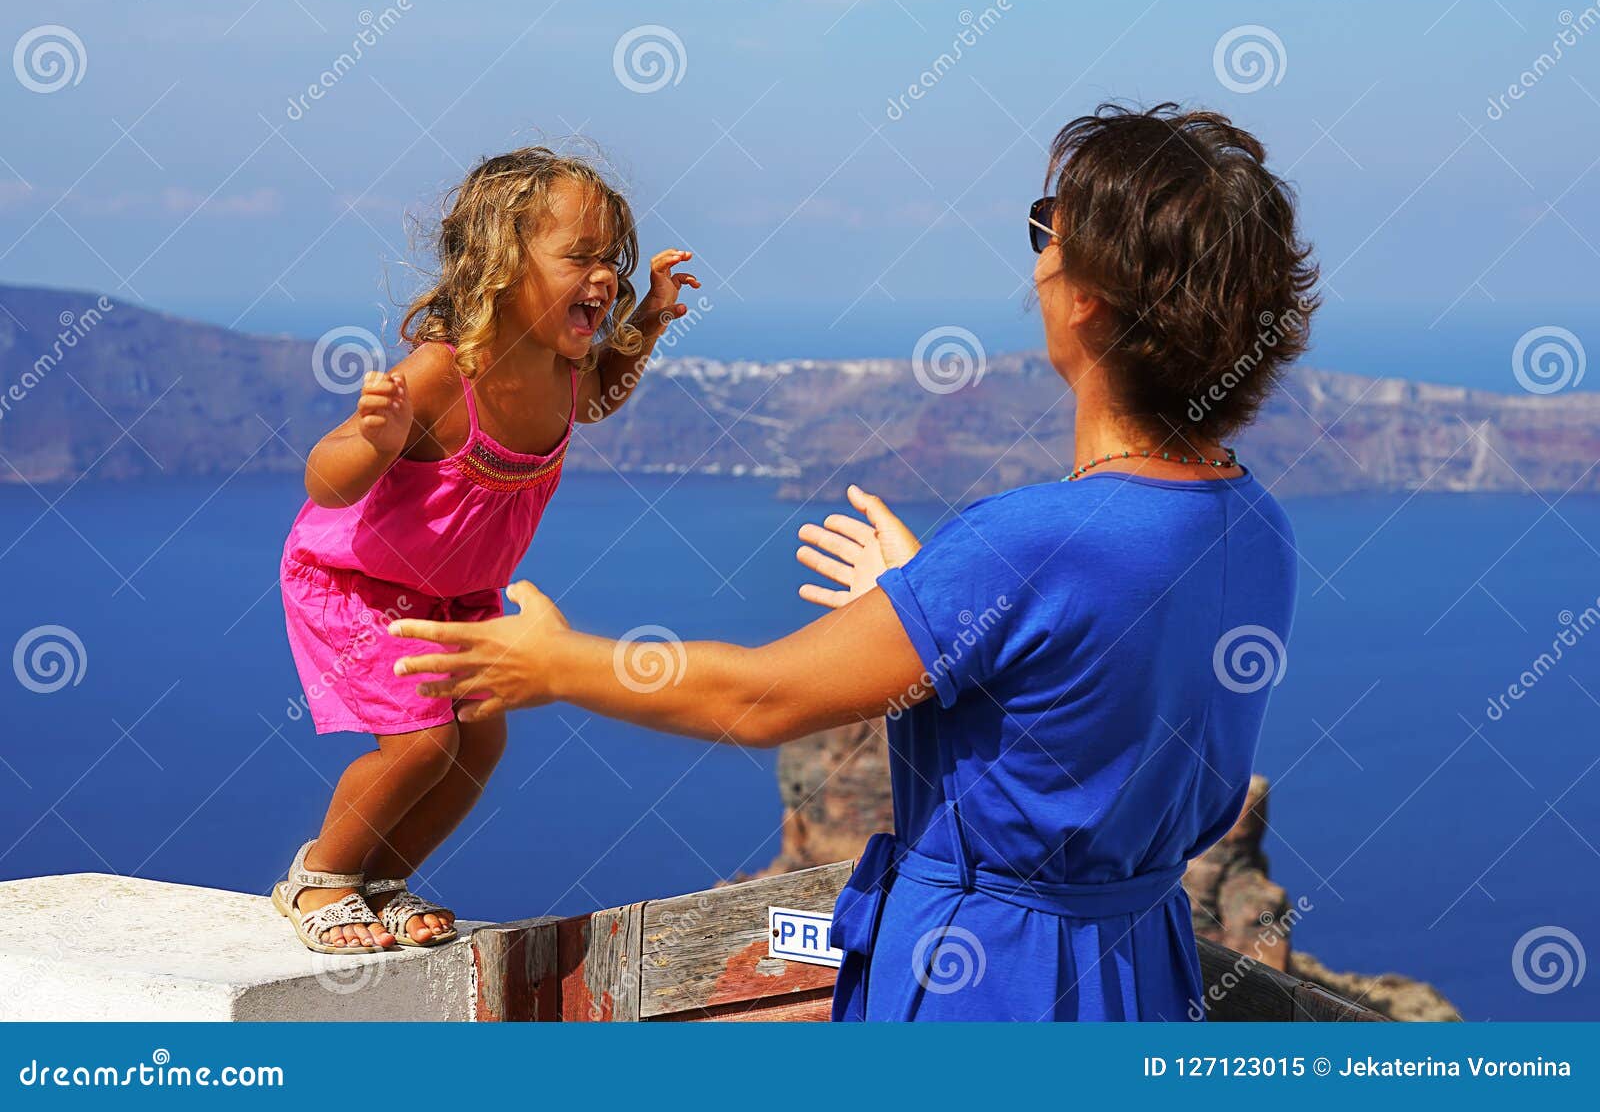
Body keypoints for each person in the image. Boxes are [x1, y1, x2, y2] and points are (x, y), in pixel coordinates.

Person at [388, 104, 1317, 1019]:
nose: (1036, 260)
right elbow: (1087, 700)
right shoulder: (1253, 522)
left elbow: (758, 699)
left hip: (986, 982)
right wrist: (931, 610)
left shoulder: (1029, 543)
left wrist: (556, 662)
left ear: (1088, 296)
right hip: (1141, 973)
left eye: (1048, 232)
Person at [273, 147, 697, 953]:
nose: (604, 276)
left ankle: (382, 874)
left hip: (454, 594)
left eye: (613, 259)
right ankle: (321, 874)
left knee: (484, 734)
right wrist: (373, 439)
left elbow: (602, 396)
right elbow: (323, 483)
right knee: (423, 740)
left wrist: (648, 320)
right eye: (580, 256)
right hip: (360, 585)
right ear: (501, 261)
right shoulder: (441, 373)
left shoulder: (565, 366)